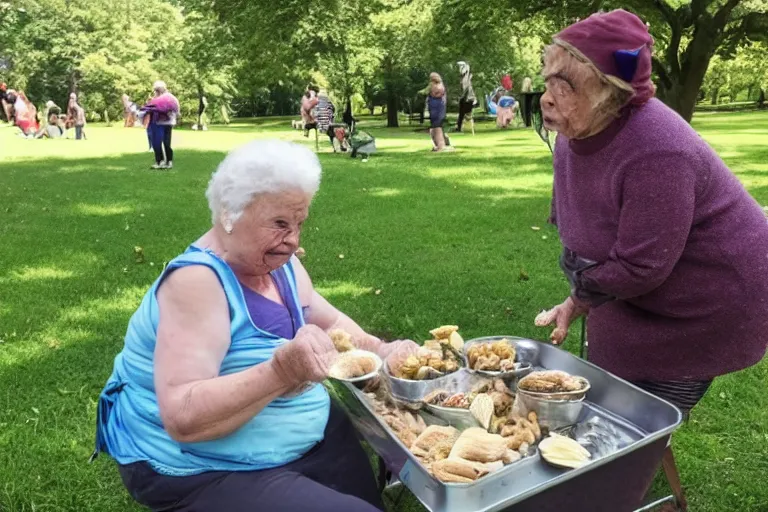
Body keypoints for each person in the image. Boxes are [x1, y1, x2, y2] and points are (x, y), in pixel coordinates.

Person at [92, 140, 418, 512]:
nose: (293, 240)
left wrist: (381, 350)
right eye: (280, 223)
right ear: (230, 212)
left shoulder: (280, 265)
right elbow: (183, 418)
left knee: (366, 491)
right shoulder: (197, 284)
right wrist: (281, 372)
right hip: (201, 464)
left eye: (299, 224)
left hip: (285, 427)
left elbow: (328, 321)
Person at [535, 8, 768, 418]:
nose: (546, 98)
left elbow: (641, 268)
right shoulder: (577, 133)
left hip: (710, 297)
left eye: (565, 86)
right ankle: (616, 460)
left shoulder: (659, 150)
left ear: (609, 92)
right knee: (604, 398)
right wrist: (579, 298)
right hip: (646, 285)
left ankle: (628, 463)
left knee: (635, 419)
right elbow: (584, 228)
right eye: (547, 82)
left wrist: (580, 293)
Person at [142, 80, 179, 169]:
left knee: (166, 143)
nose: (156, 91)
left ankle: (169, 161)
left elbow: (176, 109)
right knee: (157, 144)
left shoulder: (169, 97)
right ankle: (160, 161)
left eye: (157, 89)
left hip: (166, 123)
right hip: (158, 122)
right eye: (156, 90)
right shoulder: (155, 98)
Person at [427, 73, 447, 151]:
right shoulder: (439, 85)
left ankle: (440, 145)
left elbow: (435, 93)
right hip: (436, 107)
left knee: (437, 126)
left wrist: (432, 93)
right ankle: (437, 145)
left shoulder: (436, 86)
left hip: (436, 108)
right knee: (434, 127)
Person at [455, 61, 476, 133]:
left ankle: (459, 127)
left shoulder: (466, 77)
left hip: (468, 99)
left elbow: (466, 89)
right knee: (461, 114)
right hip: (466, 98)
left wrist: (462, 96)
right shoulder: (464, 78)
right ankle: (459, 127)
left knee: (464, 114)